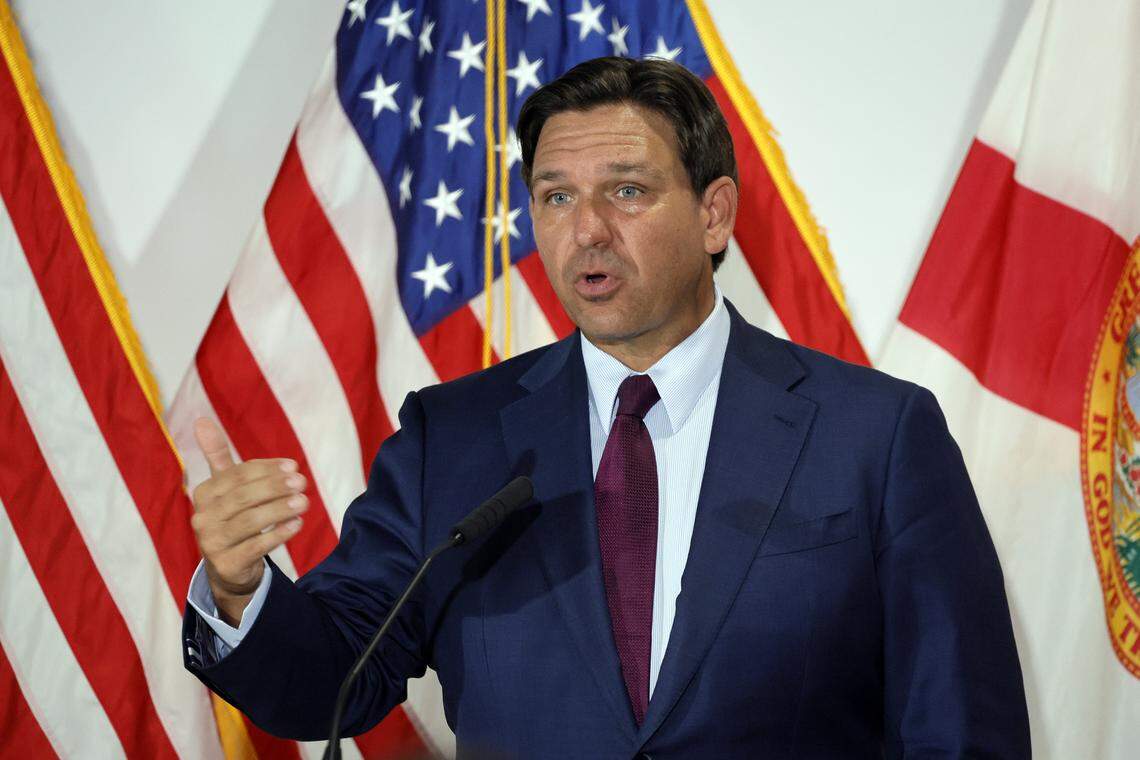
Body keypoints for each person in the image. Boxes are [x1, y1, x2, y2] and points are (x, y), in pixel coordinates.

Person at [183, 56, 1031, 758]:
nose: (585, 229)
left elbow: (958, 728)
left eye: (625, 191)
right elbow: (335, 679)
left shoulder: (875, 436)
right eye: (555, 197)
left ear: (714, 213)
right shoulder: (456, 440)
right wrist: (238, 587)